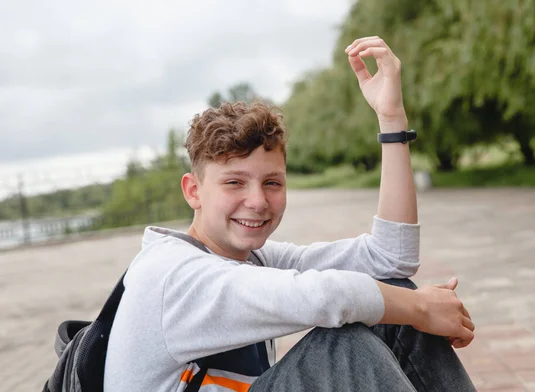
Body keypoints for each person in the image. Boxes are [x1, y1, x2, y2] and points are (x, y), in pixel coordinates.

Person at [104, 36, 476, 392]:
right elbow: (325, 297)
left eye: (272, 183)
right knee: (345, 346)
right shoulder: (173, 276)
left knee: (392, 297)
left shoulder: (253, 260)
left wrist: (391, 117)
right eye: (234, 183)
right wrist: (421, 308)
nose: (257, 201)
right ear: (193, 191)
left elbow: (390, 259)